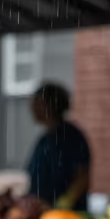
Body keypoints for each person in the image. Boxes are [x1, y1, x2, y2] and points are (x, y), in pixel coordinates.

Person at [27, 82, 90, 210]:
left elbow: (83, 175)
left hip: (65, 215)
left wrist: (65, 202)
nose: (32, 107)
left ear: (50, 105)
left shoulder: (71, 136)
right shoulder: (45, 138)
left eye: (37, 103)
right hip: (42, 211)